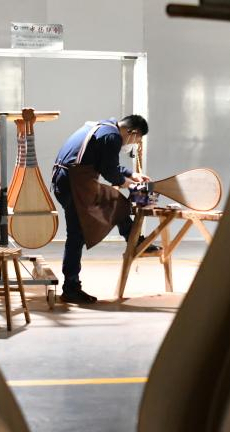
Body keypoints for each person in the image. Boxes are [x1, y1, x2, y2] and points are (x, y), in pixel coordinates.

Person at [52, 114, 158, 304]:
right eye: (137, 140)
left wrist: (132, 174)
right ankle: (71, 288)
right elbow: (110, 172)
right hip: (74, 184)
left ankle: (134, 241)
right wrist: (128, 183)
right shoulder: (113, 137)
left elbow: (107, 163)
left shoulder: (101, 127)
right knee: (76, 236)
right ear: (132, 132)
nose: (134, 144)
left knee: (117, 202)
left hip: (68, 181)